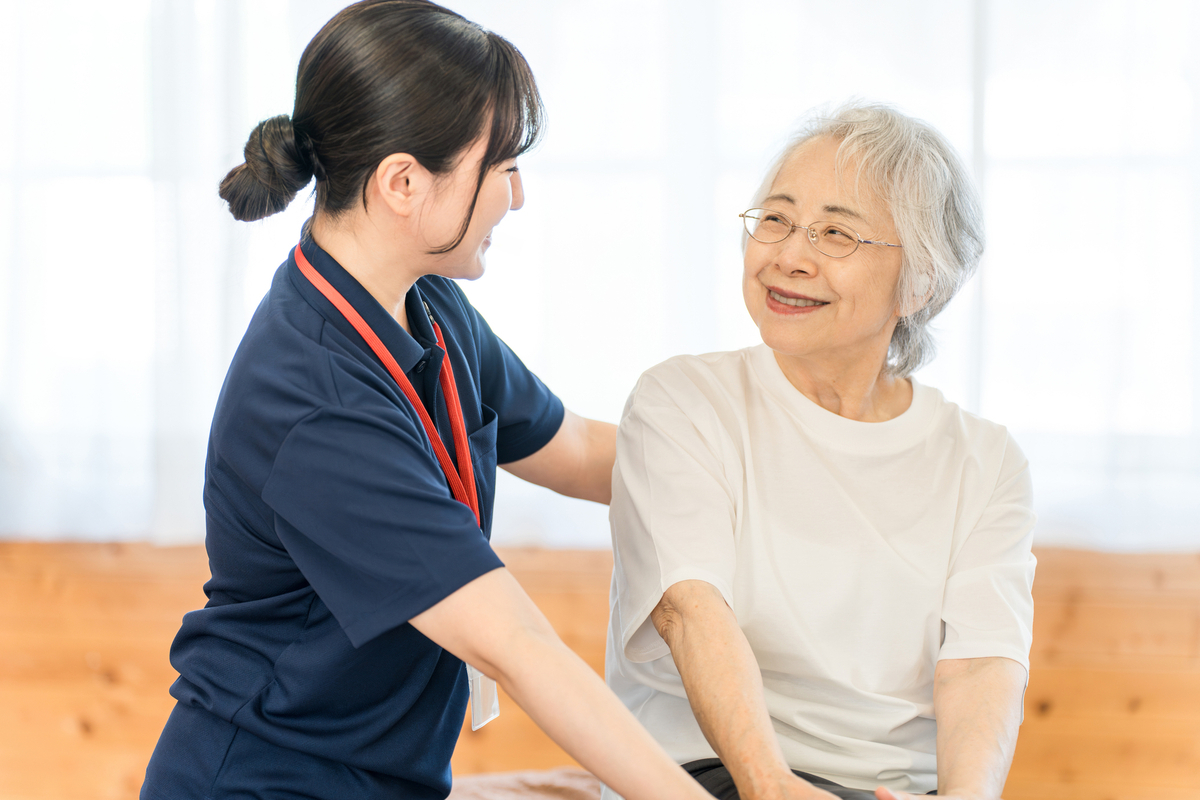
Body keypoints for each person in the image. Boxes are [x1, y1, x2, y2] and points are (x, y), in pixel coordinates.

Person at [139, 3, 716, 800]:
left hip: (387, 776)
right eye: (501, 167)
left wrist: (762, 472)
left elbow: (578, 449)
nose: (515, 197)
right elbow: (517, 644)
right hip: (269, 781)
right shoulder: (314, 401)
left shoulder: (428, 305)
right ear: (404, 182)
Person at [605, 103, 1036, 800]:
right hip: (706, 773)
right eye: (775, 219)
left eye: (836, 233)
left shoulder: (985, 461)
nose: (789, 257)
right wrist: (770, 784)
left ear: (922, 280)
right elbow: (689, 609)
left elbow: (982, 664)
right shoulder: (682, 401)